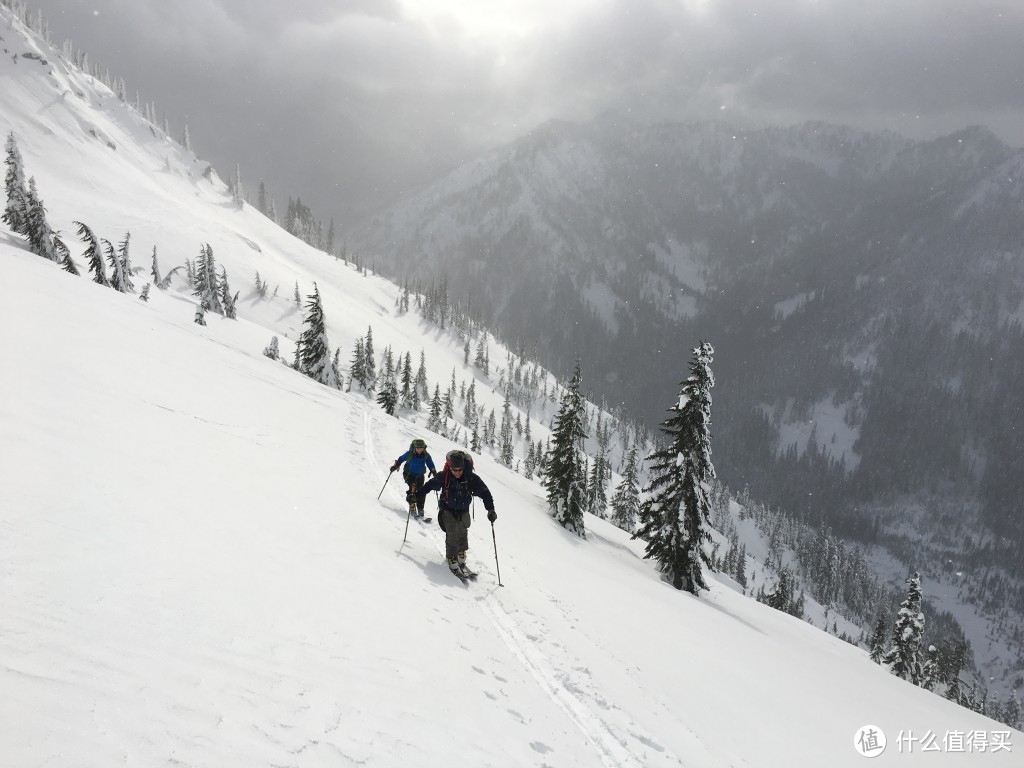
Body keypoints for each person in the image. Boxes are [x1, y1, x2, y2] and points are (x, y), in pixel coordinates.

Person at [416, 449, 496, 578]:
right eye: (455, 470)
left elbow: (485, 493)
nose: (457, 473)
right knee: (452, 533)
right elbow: (429, 486)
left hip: (463, 510)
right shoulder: (444, 476)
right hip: (447, 509)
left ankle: (461, 554)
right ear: (450, 468)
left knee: (463, 532)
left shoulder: (471, 478)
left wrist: (490, 510)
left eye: (460, 470)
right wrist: (416, 495)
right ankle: (452, 558)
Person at [390, 438, 436, 518]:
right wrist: (396, 465)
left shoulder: (426, 455)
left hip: (420, 476)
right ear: (414, 447)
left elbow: (430, 463)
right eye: (418, 448)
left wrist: (433, 470)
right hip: (409, 474)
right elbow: (401, 459)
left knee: (422, 491)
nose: (420, 450)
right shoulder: (409, 454)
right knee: (413, 488)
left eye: (421, 448)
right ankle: (412, 507)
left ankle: (420, 508)